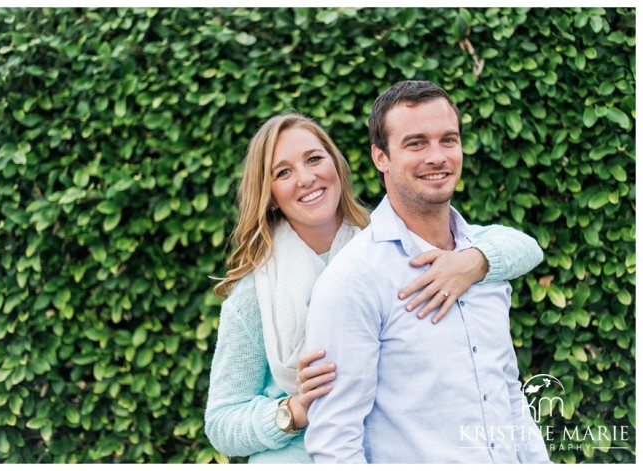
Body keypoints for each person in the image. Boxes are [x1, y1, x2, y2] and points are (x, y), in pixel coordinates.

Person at [205, 112, 544, 463]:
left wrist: (473, 262)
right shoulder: (254, 295)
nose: (306, 178)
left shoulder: (393, 243)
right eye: (284, 172)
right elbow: (221, 422)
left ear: (336, 166)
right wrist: (295, 410)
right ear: (270, 194)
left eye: (314, 159)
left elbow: (524, 247)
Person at [304, 80, 552, 463]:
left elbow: (507, 393)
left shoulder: (483, 260)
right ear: (381, 157)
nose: (437, 156)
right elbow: (335, 441)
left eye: (448, 140)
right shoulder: (354, 278)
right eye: (416, 143)